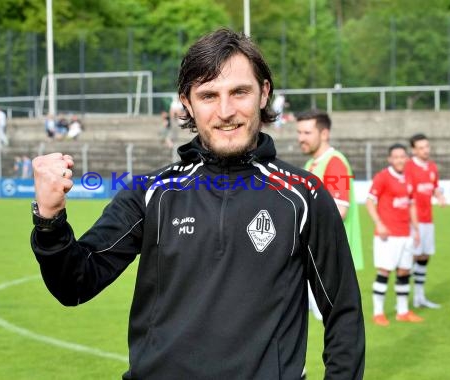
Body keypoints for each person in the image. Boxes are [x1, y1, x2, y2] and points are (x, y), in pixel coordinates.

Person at [30, 28, 365, 379]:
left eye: (239, 92)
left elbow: (343, 313)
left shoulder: (304, 195)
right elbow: (75, 284)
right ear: (187, 103)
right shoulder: (150, 193)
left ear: (264, 94)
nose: (225, 111)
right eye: (208, 95)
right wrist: (50, 220)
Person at [297, 109, 363, 270]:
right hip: (320, 251)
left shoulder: (335, 163)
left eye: (307, 133)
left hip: (334, 255)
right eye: (299, 132)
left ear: (324, 134)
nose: (301, 138)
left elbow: (339, 211)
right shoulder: (310, 165)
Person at [366, 143, 423, 326]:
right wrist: (379, 224)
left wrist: (416, 229)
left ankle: (403, 311)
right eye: (396, 157)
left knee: (405, 271)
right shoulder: (382, 177)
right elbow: (369, 201)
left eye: (402, 156)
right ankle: (378, 312)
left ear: (406, 158)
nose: (399, 160)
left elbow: (411, 204)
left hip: (405, 233)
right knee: (384, 271)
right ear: (390, 159)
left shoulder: (409, 177)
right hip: (387, 235)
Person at [404, 133, 446, 309]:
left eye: (427, 147)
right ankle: (404, 300)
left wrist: (440, 196)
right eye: (421, 148)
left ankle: (419, 297)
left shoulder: (432, 167)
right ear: (414, 150)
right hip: (412, 220)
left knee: (424, 257)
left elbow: (434, 186)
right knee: (410, 258)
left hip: (428, 219)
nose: (425, 150)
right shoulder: (408, 167)